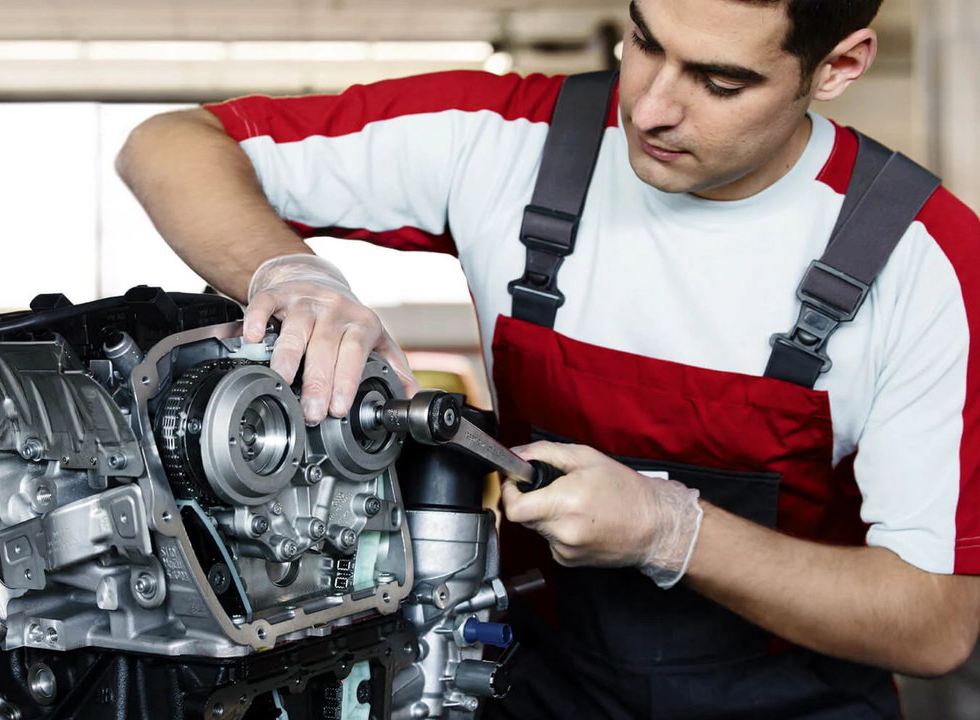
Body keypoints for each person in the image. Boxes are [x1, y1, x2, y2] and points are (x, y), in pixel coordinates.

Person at [117, 0, 980, 716]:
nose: (650, 108)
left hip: (793, 702)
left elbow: (935, 623)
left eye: (720, 81)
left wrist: (671, 532)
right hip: (533, 681)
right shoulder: (509, 138)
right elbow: (169, 142)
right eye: (645, 40)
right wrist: (293, 275)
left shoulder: (922, 260)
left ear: (837, 67)